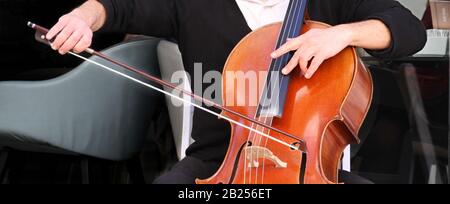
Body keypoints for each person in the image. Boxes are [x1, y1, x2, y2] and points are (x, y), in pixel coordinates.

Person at [46, 0, 426, 184]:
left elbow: (410, 30)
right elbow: (116, 7)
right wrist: (83, 17)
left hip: (309, 170)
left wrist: (342, 34)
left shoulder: (330, 2)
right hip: (216, 166)